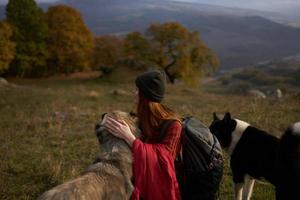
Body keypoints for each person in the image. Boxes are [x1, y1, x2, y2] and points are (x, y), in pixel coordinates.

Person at [103, 70, 182, 200]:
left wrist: (130, 138)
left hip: (161, 186)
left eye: (137, 89)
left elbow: (165, 158)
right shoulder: (141, 117)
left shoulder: (174, 125)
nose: (134, 92)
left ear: (146, 95)